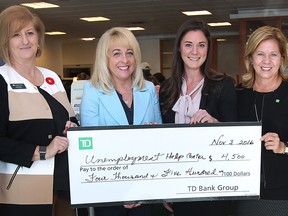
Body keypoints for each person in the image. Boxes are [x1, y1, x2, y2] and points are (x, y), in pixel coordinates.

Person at [0, 5, 78, 216]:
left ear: (38, 38)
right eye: (16, 35)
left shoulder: (52, 77)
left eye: (30, 33)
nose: (25, 41)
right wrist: (42, 151)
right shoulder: (2, 80)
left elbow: (70, 119)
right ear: (5, 41)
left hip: (64, 185)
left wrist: (72, 128)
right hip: (22, 191)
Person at [80, 27, 162, 216]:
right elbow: (93, 150)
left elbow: (159, 138)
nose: (124, 60)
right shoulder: (92, 91)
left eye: (129, 53)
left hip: (145, 189)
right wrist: (120, 191)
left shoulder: (148, 89)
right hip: (108, 190)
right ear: (105, 59)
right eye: (116, 54)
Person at [159, 19, 237, 216]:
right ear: (179, 48)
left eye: (201, 45)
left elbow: (236, 138)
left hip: (215, 185)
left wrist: (214, 123)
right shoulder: (167, 89)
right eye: (188, 45)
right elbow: (162, 143)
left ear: (208, 49)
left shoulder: (223, 85)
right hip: (178, 182)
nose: (195, 51)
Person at [235, 26, 288, 216]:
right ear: (250, 58)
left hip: (283, 197)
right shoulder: (238, 94)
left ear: (282, 58)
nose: (266, 61)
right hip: (244, 194)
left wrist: (284, 147)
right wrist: (213, 122)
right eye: (260, 54)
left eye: (273, 54)